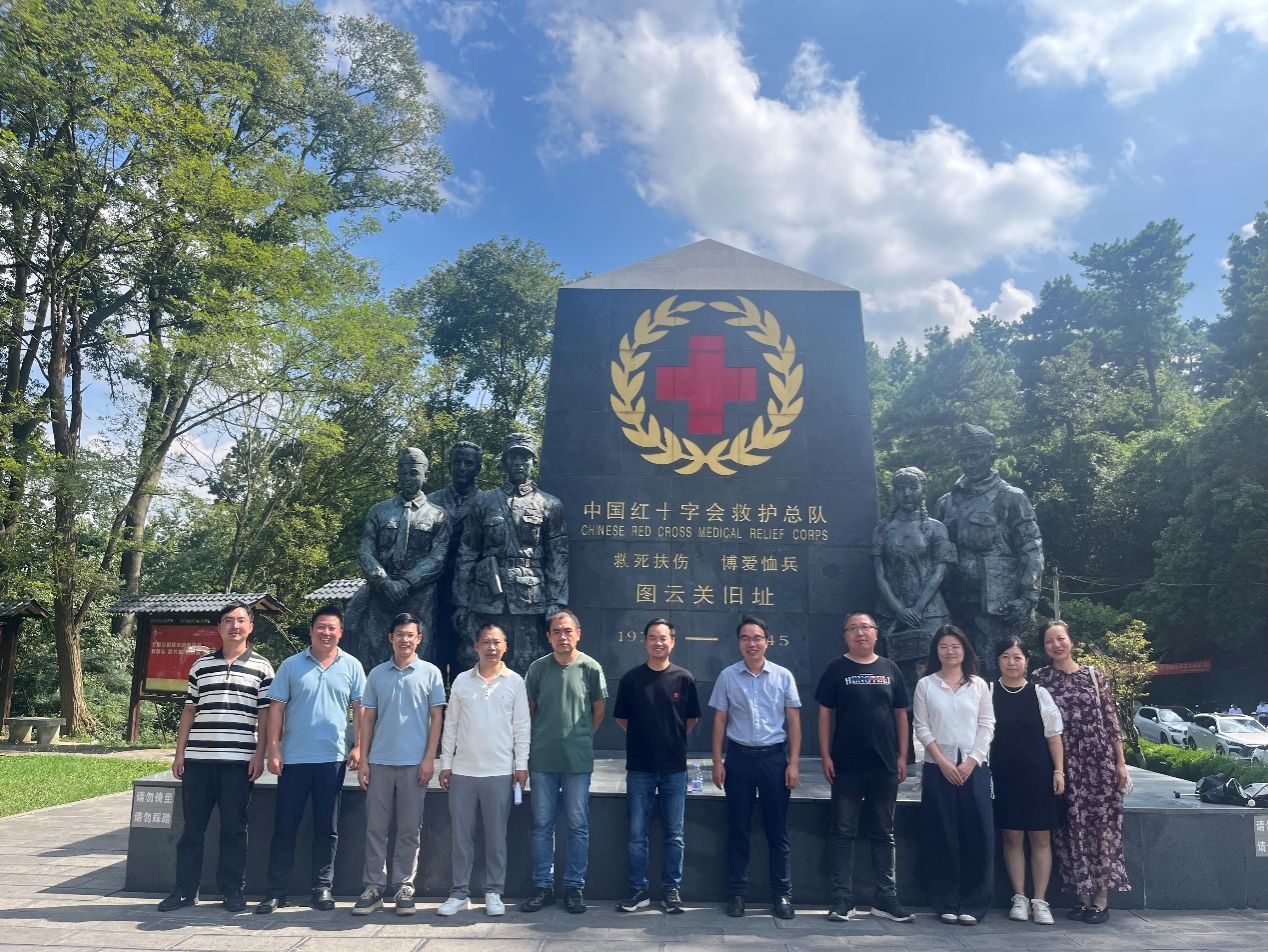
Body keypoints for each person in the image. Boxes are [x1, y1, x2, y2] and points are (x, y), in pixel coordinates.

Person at [158, 602, 275, 913]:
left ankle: (233, 891)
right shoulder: (201, 666)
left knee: (234, 829)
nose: (234, 626)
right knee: (192, 829)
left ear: (251, 627)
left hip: (239, 761)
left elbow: (265, 716)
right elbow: (189, 710)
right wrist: (180, 753)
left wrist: (259, 754)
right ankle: (184, 891)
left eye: (241, 620)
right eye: (228, 620)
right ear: (219, 627)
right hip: (198, 760)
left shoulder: (263, 668)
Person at [256, 605, 366, 913]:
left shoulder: (352, 666)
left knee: (327, 829)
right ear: (311, 630)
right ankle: (275, 891)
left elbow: (360, 709)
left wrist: (358, 747)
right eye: (321, 627)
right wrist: (274, 750)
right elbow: (276, 709)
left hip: (332, 758)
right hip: (294, 759)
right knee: (285, 827)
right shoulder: (291, 665)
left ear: (340, 632)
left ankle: (322, 888)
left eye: (332, 628)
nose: (326, 633)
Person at [815, 611, 914, 924]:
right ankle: (842, 899)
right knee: (842, 831)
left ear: (876, 633)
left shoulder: (890, 669)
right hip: (846, 764)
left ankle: (885, 897)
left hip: (884, 764)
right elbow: (825, 714)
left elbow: (901, 714)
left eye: (866, 627)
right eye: (853, 628)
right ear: (845, 635)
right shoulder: (836, 668)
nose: (860, 633)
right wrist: (825, 755)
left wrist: (902, 755)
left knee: (883, 831)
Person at [1032, 620, 1130, 924]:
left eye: (1061, 638)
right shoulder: (1040, 679)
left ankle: (1101, 899)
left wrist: (1120, 762)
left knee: (1102, 828)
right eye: (1049, 641)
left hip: (1098, 761)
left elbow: (1111, 721)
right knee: (1071, 829)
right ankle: (1083, 898)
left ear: (1071, 641)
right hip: (1064, 762)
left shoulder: (1093, 675)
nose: (1056, 645)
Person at [351, 612, 445, 917]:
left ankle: (404, 886)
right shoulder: (377, 674)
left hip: (414, 764)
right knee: (375, 828)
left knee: (409, 829)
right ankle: (374, 887)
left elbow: (437, 718)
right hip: (379, 761)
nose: (405, 640)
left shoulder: (430, 673)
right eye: (400, 634)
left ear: (419, 639)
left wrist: (429, 758)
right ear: (390, 638)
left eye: (410, 635)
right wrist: (364, 759)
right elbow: (368, 719)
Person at [709, 615, 802, 921]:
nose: (752, 643)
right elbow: (719, 720)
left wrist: (793, 763)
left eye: (757, 638)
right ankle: (736, 894)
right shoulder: (727, 676)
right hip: (739, 759)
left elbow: (794, 722)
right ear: (739, 643)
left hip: (774, 759)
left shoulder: (783, 676)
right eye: (746, 638)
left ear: (767, 641)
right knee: (738, 828)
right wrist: (717, 761)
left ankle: (782, 894)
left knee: (777, 830)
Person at [436, 624, 530, 918]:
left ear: (505, 646)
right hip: (463, 771)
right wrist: (446, 763)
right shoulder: (462, 681)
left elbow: (521, 726)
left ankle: (493, 891)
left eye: (497, 642)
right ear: (475, 646)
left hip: (499, 771)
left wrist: (521, 765)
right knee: (461, 837)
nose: (491, 647)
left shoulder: (515, 682)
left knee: (496, 836)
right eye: (486, 642)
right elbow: (451, 725)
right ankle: (459, 893)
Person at [455, 433, 569, 672]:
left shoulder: (549, 504)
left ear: (534, 462)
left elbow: (558, 555)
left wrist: (556, 602)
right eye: (513, 457)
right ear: (504, 462)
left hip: (530, 598)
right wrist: (462, 601)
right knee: (483, 663)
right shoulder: (484, 502)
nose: (519, 463)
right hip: (487, 597)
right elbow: (466, 553)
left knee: (528, 663)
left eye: (525, 458)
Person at [935, 424, 1044, 671]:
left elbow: (1031, 549)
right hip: (953, 602)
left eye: (975, 456)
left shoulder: (1011, 497)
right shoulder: (945, 503)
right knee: (956, 672)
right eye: (964, 458)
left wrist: (1027, 597)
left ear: (991, 455)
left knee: (995, 670)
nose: (969, 464)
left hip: (996, 605)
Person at [520, 610, 607, 914]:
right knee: (542, 825)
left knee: (577, 824)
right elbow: (529, 710)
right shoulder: (538, 669)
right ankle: (543, 886)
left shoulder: (591, 668)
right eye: (556, 631)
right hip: (542, 759)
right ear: (548, 637)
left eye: (568, 630)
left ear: (578, 634)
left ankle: (574, 886)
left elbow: (599, 709)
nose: (562, 636)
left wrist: (581, 737)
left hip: (577, 761)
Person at [613, 618, 701, 914]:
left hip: (674, 767)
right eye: (652, 637)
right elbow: (622, 718)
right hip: (640, 767)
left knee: (674, 834)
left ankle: (671, 890)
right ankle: (638, 890)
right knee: (637, 834)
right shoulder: (631, 679)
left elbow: (691, 719)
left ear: (672, 642)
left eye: (663, 638)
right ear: (645, 642)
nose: (658, 642)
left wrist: (669, 739)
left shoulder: (684, 678)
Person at [912, 624, 995, 926]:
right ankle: (946, 900)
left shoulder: (979, 685)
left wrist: (971, 761)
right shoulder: (926, 685)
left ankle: (974, 903)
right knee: (942, 834)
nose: (950, 651)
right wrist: (942, 761)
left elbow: (986, 725)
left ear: (965, 650)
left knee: (978, 834)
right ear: (936, 651)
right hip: (938, 768)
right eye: (944, 646)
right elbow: (922, 727)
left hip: (974, 767)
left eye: (955, 646)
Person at [346, 448, 451, 669]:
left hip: (419, 597)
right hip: (381, 595)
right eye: (403, 473)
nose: (408, 478)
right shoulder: (379, 511)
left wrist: (407, 583)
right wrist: (384, 582)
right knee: (374, 654)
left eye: (414, 473)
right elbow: (366, 551)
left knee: (417, 658)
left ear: (425, 475)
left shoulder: (439, 515)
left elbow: (438, 557)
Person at [990, 635, 1064, 926]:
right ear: (998, 660)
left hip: (1038, 775)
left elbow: (1054, 736)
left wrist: (1059, 771)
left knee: (1040, 837)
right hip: (1004, 775)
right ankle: (1019, 896)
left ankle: (1040, 899)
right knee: (1012, 837)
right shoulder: (988, 692)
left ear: (1026, 662)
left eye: (1017, 657)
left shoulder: (1039, 693)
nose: (1012, 662)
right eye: (1006, 656)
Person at [873, 467, 954, 694]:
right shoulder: (883, 529)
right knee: (892, 678)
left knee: (933, 675)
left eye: (912, 487)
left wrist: (917, 608)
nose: (907, 493)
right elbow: (879, 572)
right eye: (900, 489)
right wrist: (899, 609)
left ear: (922, 490)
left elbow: (940, 569)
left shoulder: (936, 528)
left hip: (930, 613)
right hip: (890, 613)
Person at [428, 441, 484, 678]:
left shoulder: (487, 502)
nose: (462, 467)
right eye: (457, 462)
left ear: (478, 468)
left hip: (473, 590)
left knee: (470, 653)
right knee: (435, 651)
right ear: (450, 465)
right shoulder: (431, 501)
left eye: (468, 463)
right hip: (436, 588)